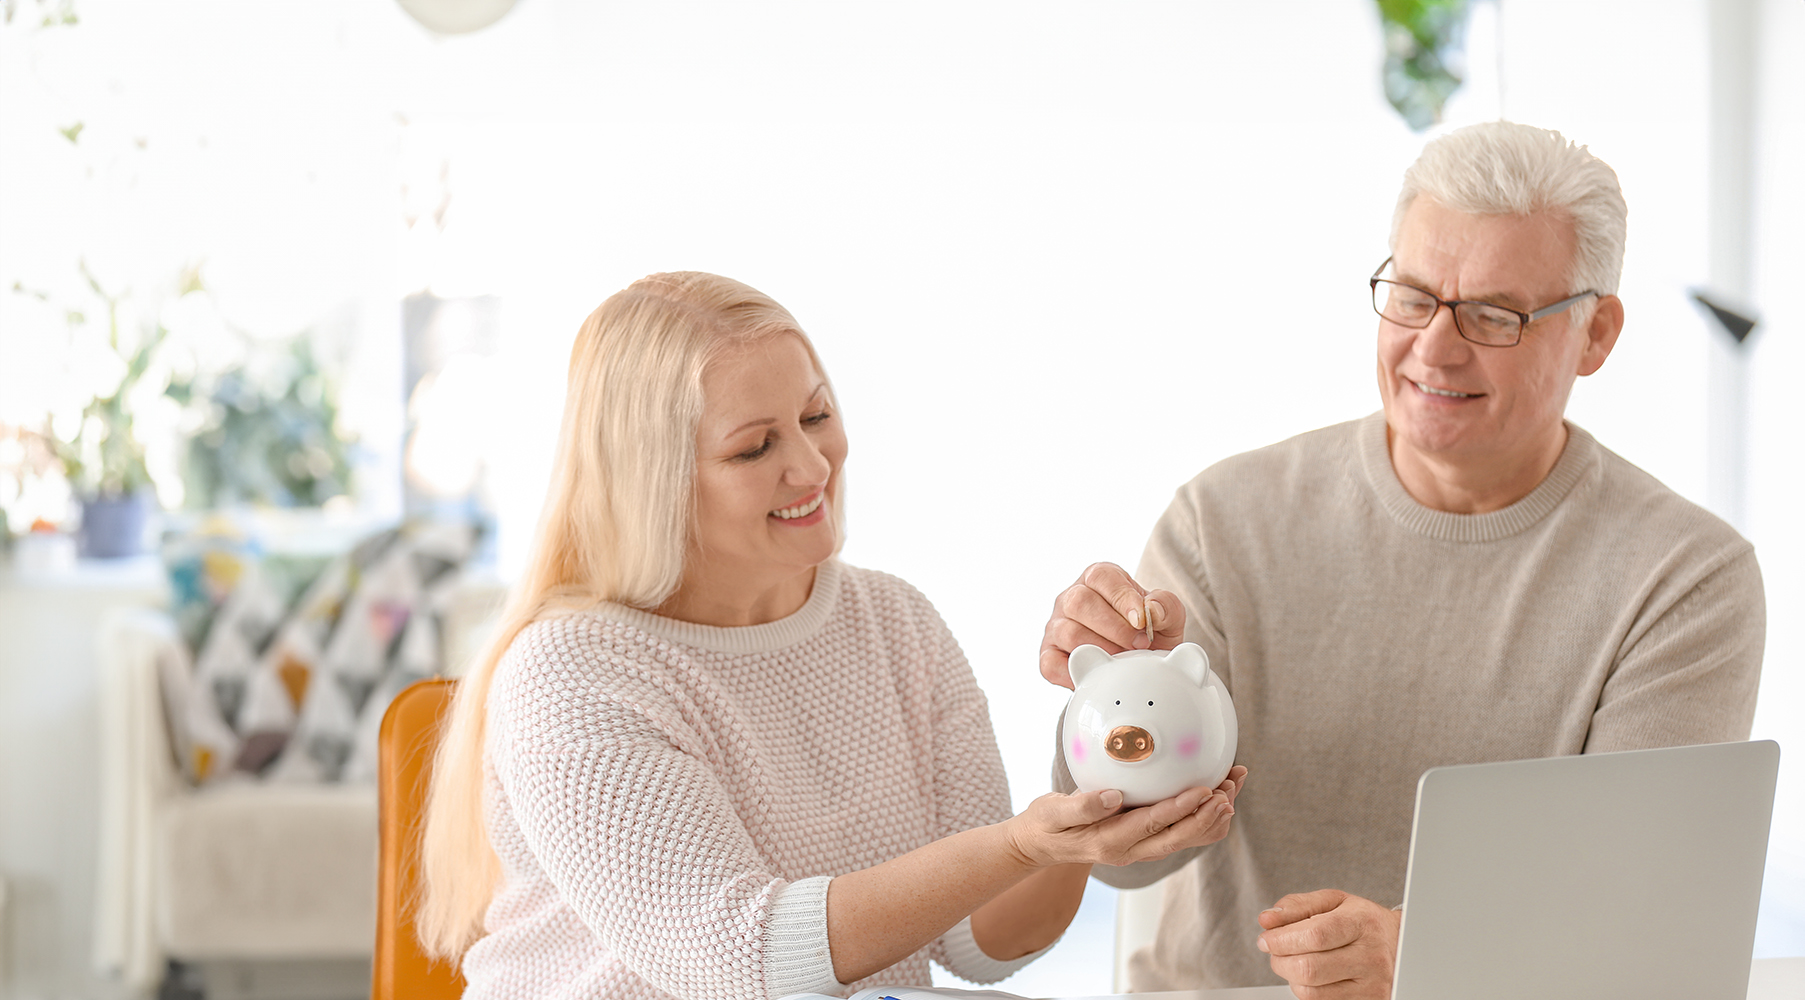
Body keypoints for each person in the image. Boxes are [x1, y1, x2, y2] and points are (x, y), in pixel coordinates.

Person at [1037, 122, 1764, 996]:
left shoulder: (1682, 578)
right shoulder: (1223, 520)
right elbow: (1121, 866)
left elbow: (1636, 917)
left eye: (1493, 315)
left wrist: (1422, 954)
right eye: (1412, 296)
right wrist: (1112, 704)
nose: (1434, 348)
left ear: (1596, 335)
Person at [415, 272, 1249, 999]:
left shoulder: (894, 624)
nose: (812, 467)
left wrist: (1092, 776)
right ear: (653, 479)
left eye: (816, 415)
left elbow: (982, 941)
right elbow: (743, 960)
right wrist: (1019, 840)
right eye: (755, 448)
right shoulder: (574, 672)